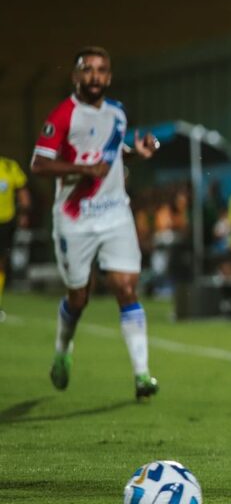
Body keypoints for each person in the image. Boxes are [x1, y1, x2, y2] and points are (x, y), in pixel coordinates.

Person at [30, 46, 161, 400]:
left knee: (126, 287)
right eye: (87, 69)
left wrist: (137, 153)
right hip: (75, 219)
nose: (95, 76)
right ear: (75, 76)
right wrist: (83, 170)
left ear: (109, 76)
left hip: (116, 212)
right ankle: (62, 350)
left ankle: (142, 375)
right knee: (79, 297)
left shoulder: (118, 113)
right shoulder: (62, 116)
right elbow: (39, 165)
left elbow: (112, 153)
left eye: (101, 70)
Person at [0, 156, 31, 314]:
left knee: (1, 262)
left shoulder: (9, 166)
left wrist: (24, 213)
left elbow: (22, 191)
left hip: (5, 222)